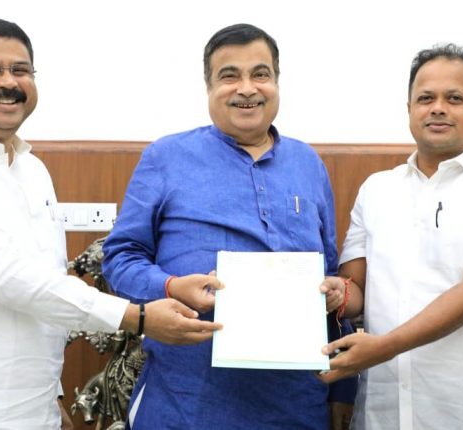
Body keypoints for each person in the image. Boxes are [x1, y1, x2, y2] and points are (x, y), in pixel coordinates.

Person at [0, 18, 221, 429]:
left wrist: (50, 394)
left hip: (31, 408)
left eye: (20, 70)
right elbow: (4, 276)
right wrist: (138, 317)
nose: (8, 82)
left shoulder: (33, 170)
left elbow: (46, 284)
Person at [101, 23, 356, 429]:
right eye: (229, 75)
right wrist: (170, 287)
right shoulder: (166, 157)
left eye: (260, 74)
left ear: (276, 82)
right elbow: (119, 258)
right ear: (209, 87)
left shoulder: (308, 164)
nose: (247, 88)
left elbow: (330, 274)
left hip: (296, 407)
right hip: (186, 406)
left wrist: (343, 386)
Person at [319, 43, 463, 429]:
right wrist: (335, 293)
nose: (438, 108)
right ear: (409, 109)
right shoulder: (377, 189)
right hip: (381, 415)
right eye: (425, 98)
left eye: (454, 98)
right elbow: (355, 289)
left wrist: (383, 348)